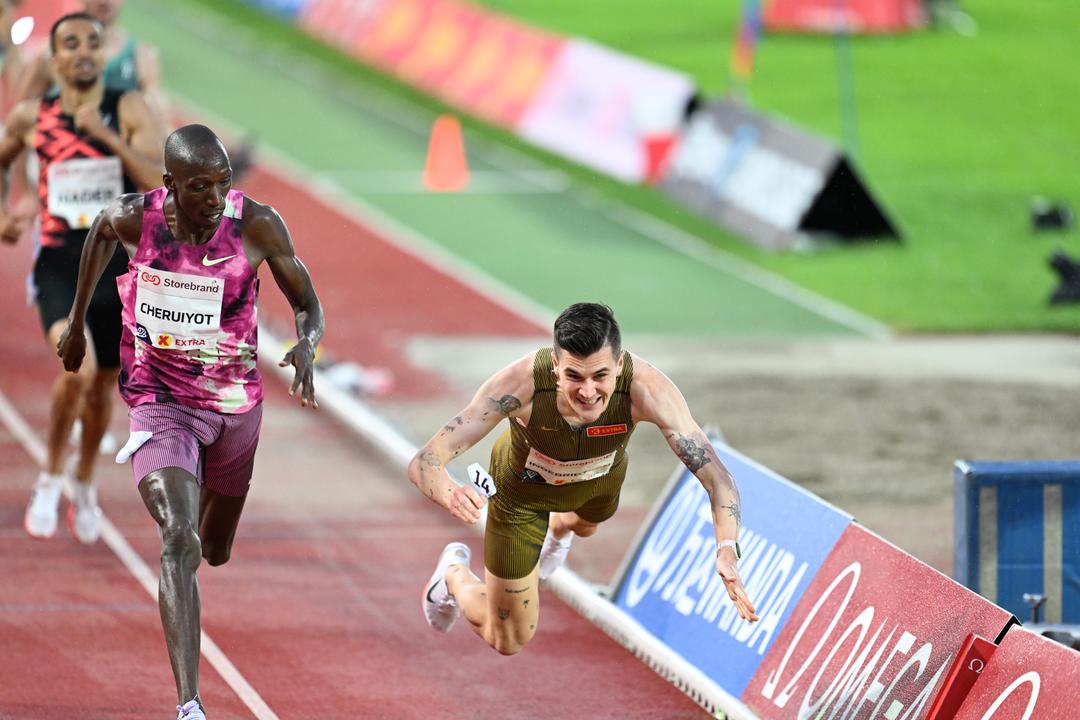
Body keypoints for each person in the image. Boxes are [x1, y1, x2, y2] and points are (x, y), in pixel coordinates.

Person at [57, 123, 323, 720]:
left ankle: (209, 532)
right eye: (200, 187)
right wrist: (77, 323)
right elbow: (99, 232)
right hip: (159, 402)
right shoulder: (136, 218)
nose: (214, 197)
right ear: (170, 184)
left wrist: (308, 343)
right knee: (178, 538)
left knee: (215, 548)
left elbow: (307, 301)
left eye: (223, 182)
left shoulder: (254, 224)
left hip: (234, 409)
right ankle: (190, 705)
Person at [409, 302, 759, 656]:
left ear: (620, 365)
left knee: (586, 526)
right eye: (574, 376)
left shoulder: (647, 389)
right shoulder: (520, 384)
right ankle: (453, 574)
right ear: (556, 367)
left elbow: (719, 479)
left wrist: (727, 549)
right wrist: (450, 491)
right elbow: (426, 461)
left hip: (598, 486)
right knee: (509, 639)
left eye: (601, 376)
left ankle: (558, 532)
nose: (588, 392)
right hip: (522, 497)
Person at [0, 11, 165, 543]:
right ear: (56, 58)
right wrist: (11, 209)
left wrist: (107, 137)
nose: (83, 52)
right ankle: (50, 476)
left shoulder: (127, 107)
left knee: (99, 392)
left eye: (91, 43)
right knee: (76, 370)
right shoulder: (33, 116)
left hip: (119, 267)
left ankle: (85, 479)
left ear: (101, 52)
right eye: (70, 44)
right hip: (59, 265)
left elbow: (157, 179)